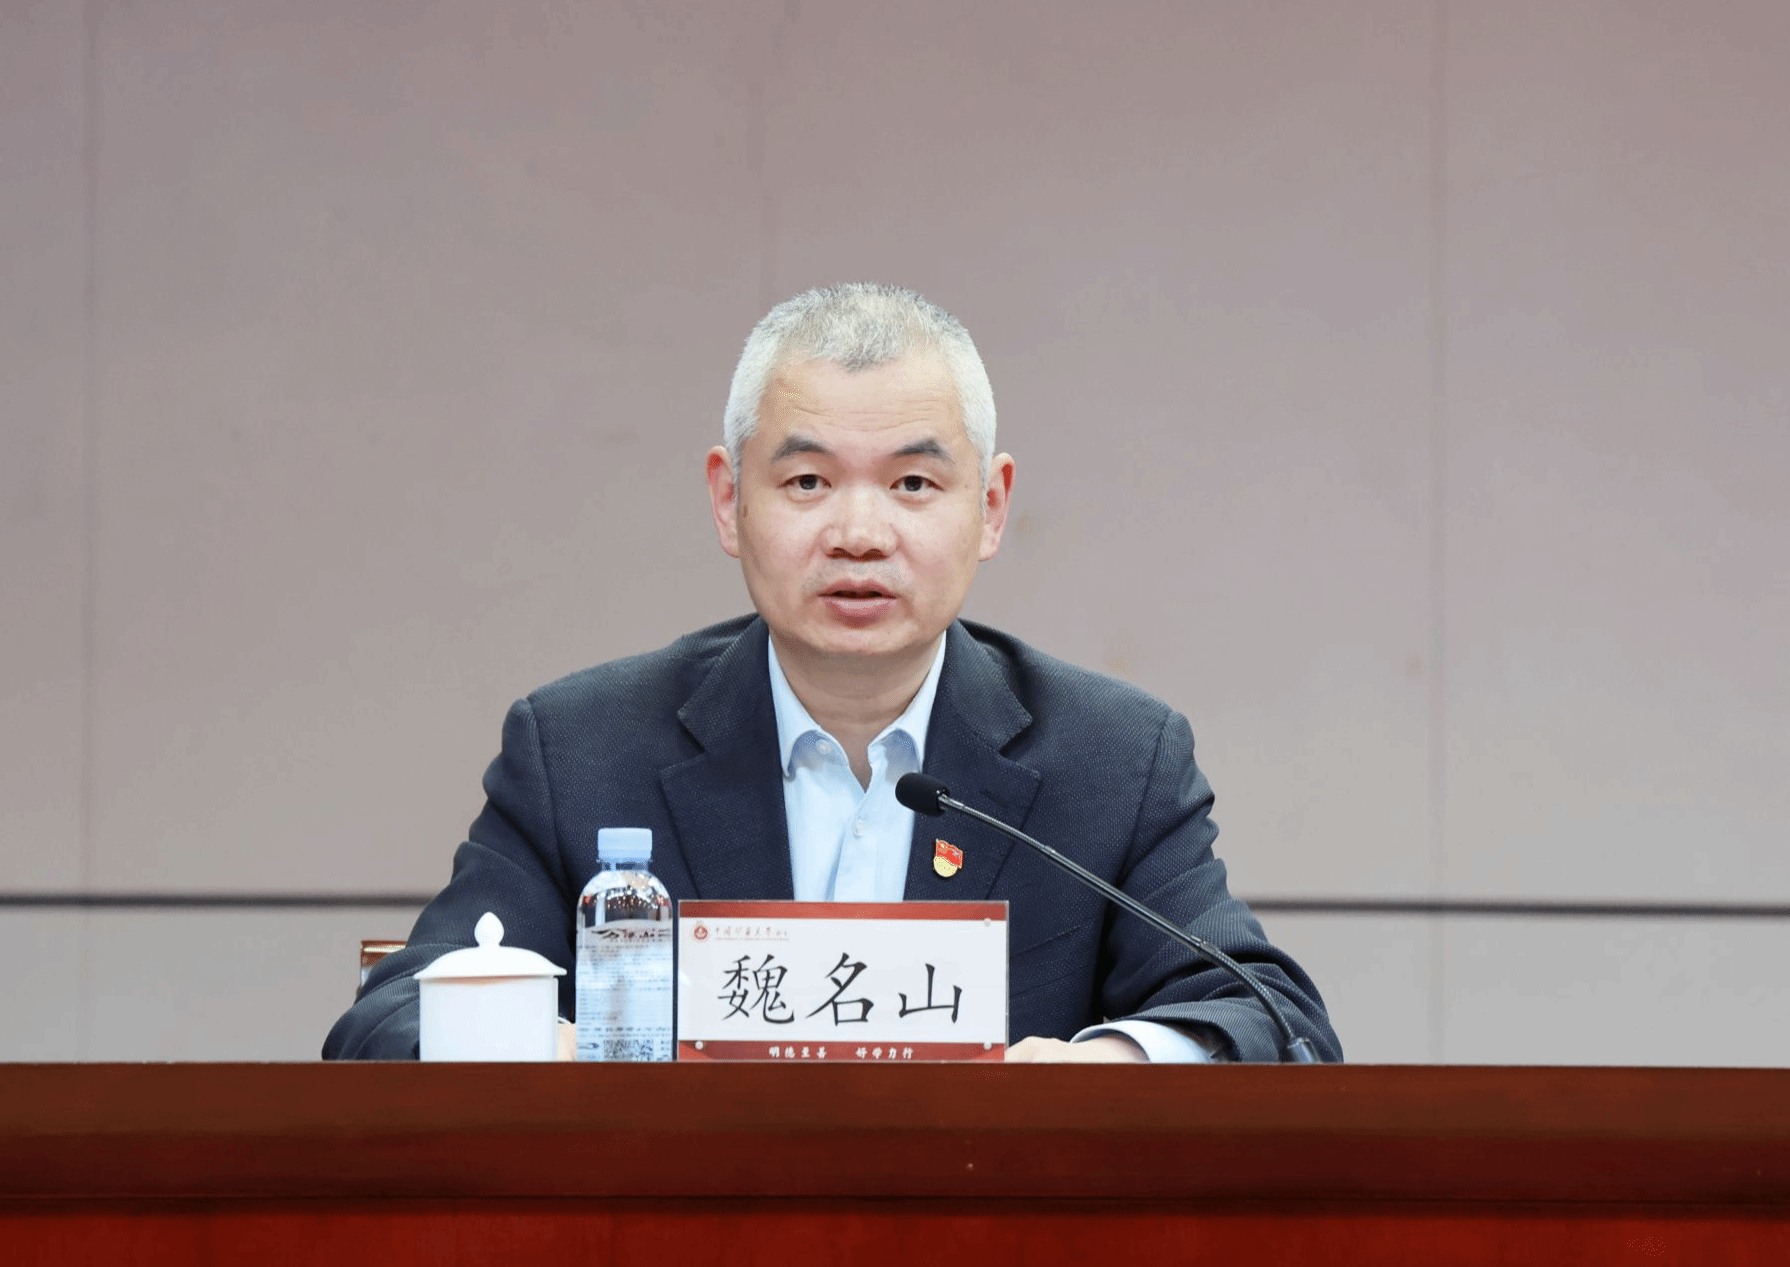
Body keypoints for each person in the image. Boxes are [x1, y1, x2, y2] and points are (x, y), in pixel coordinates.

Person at [324, 283, 1339, 1064]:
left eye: (913, 482)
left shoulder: (1111, 759)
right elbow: (387, 1018)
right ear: (729, 501)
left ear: (991, 507)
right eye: (807, 480)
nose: (860, 531)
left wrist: (1107, 1067)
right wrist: (558, 1051)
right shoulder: (584, 749)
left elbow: (1272, 1020)